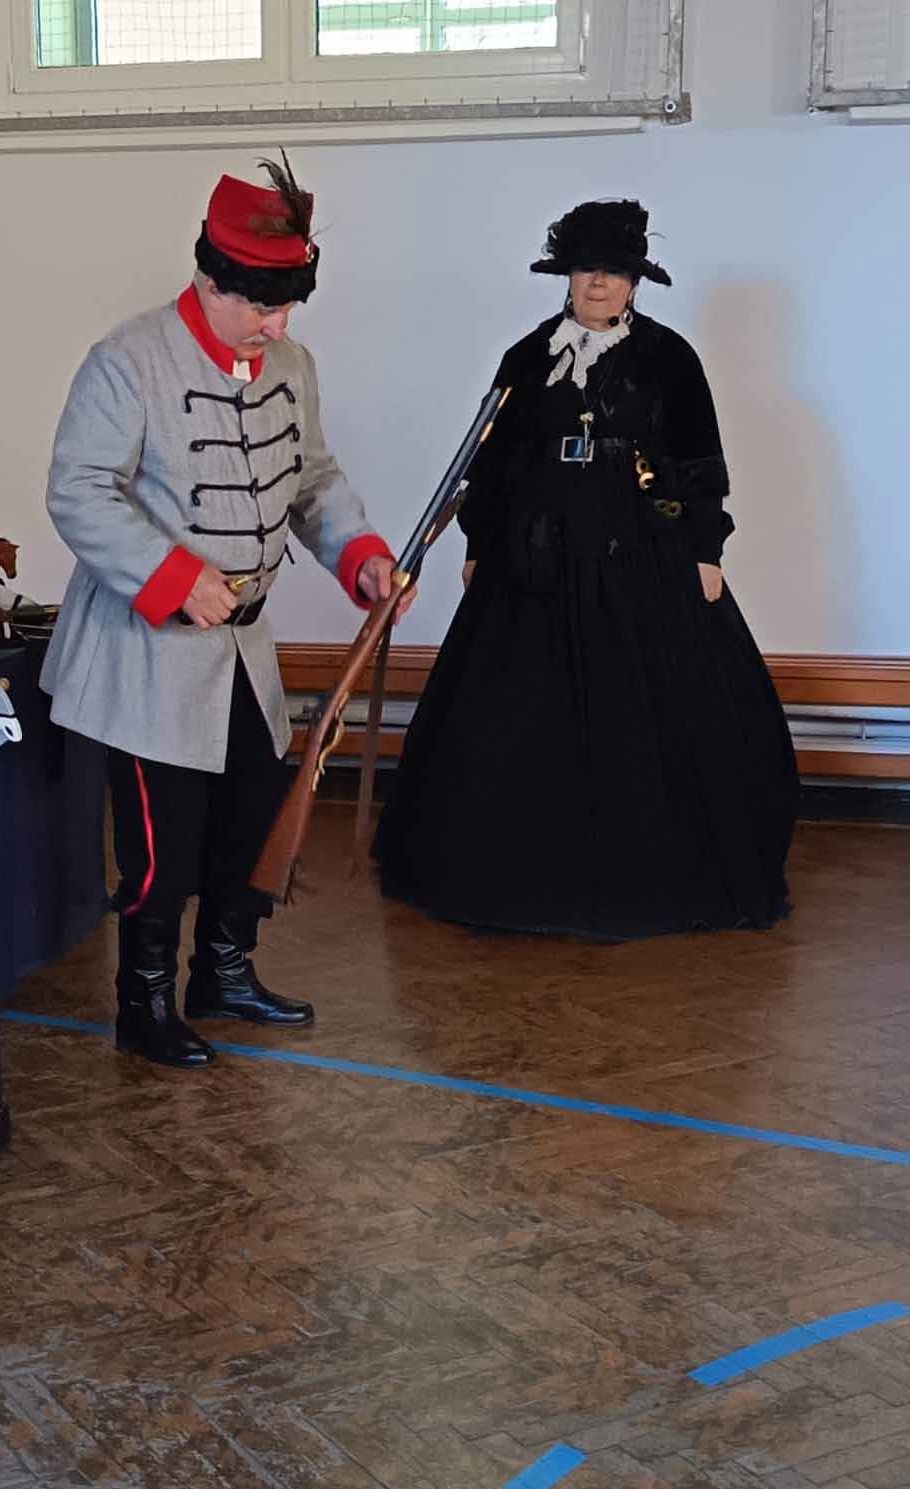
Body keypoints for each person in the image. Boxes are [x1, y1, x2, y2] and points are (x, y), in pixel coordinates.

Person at [42, 154, 412, 1068]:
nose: (277, 324)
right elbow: (78, 490)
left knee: (252, 818)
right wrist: (173, 578)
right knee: (163, 847)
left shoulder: (291, 364)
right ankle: (143, 1004)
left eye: (288, 305)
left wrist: (361, 557)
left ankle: (224, 973)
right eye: (262, 304)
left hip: (244, 654)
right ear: (211, 279)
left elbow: (312, 480)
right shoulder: (126, 360)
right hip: (144, 650)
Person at [375, 200, 796, 940]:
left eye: (613, 271)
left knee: (662, 714)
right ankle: (516, 875)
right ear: (566, 277)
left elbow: (700, 464)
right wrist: (478, 544)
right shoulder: (526, 358)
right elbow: (491, 464)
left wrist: (705, 550)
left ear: (634, 281)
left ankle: (646, 873)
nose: (598, 283)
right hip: (533, 557)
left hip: (642, 555)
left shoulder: (670, 359)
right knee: (511, 711)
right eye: (585, 270)